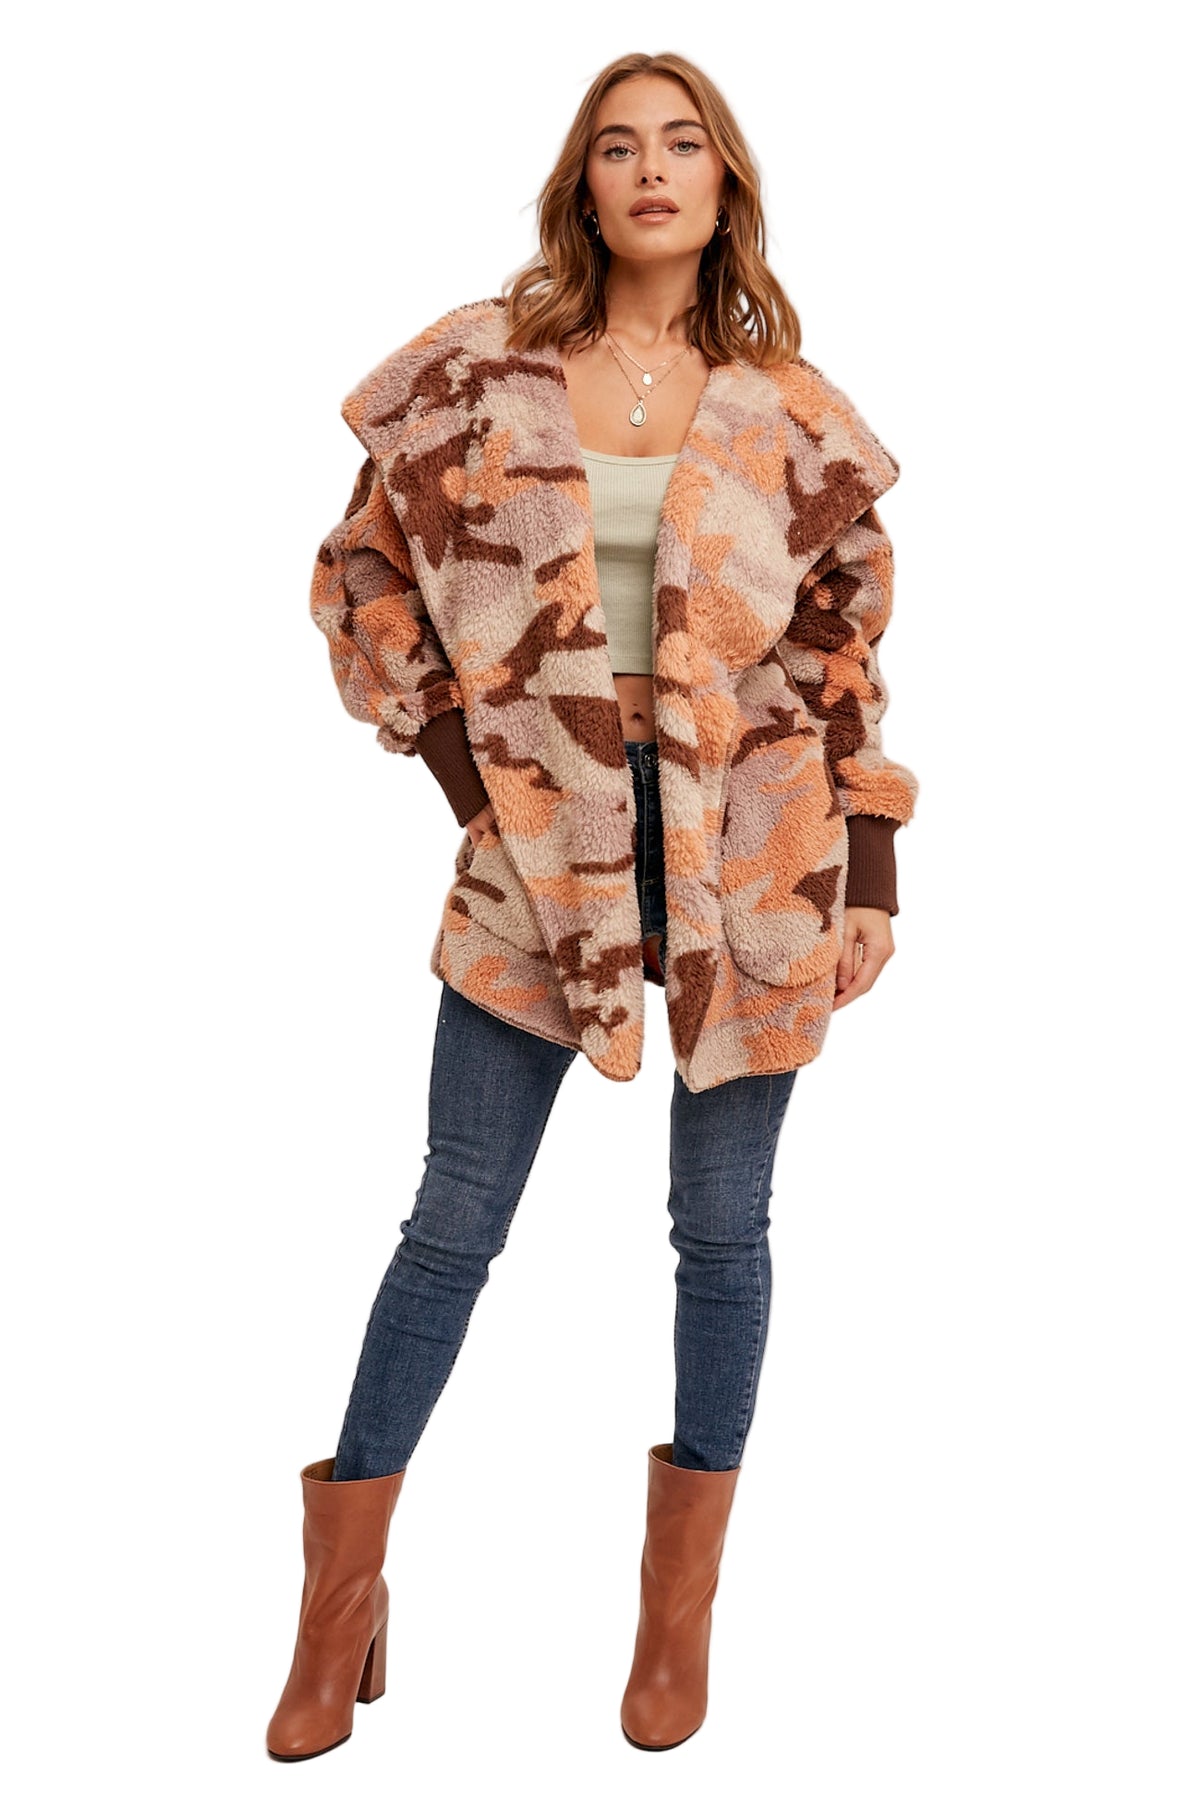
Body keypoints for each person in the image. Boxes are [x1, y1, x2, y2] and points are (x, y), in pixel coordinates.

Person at [267, 50, 919, 1762]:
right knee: (452, 1219)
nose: (649, 170)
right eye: (617, 146)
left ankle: (672, 1624)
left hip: (752, 849)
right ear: (583, 182)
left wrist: (870, 875)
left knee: (724, 1231)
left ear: (722, 184)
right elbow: (359, 577)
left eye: (680, 144)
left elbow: (843, 651)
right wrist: (475, 786)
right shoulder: (480, 373)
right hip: (535, 845)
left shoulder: (790, 413)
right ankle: (337, 1612)